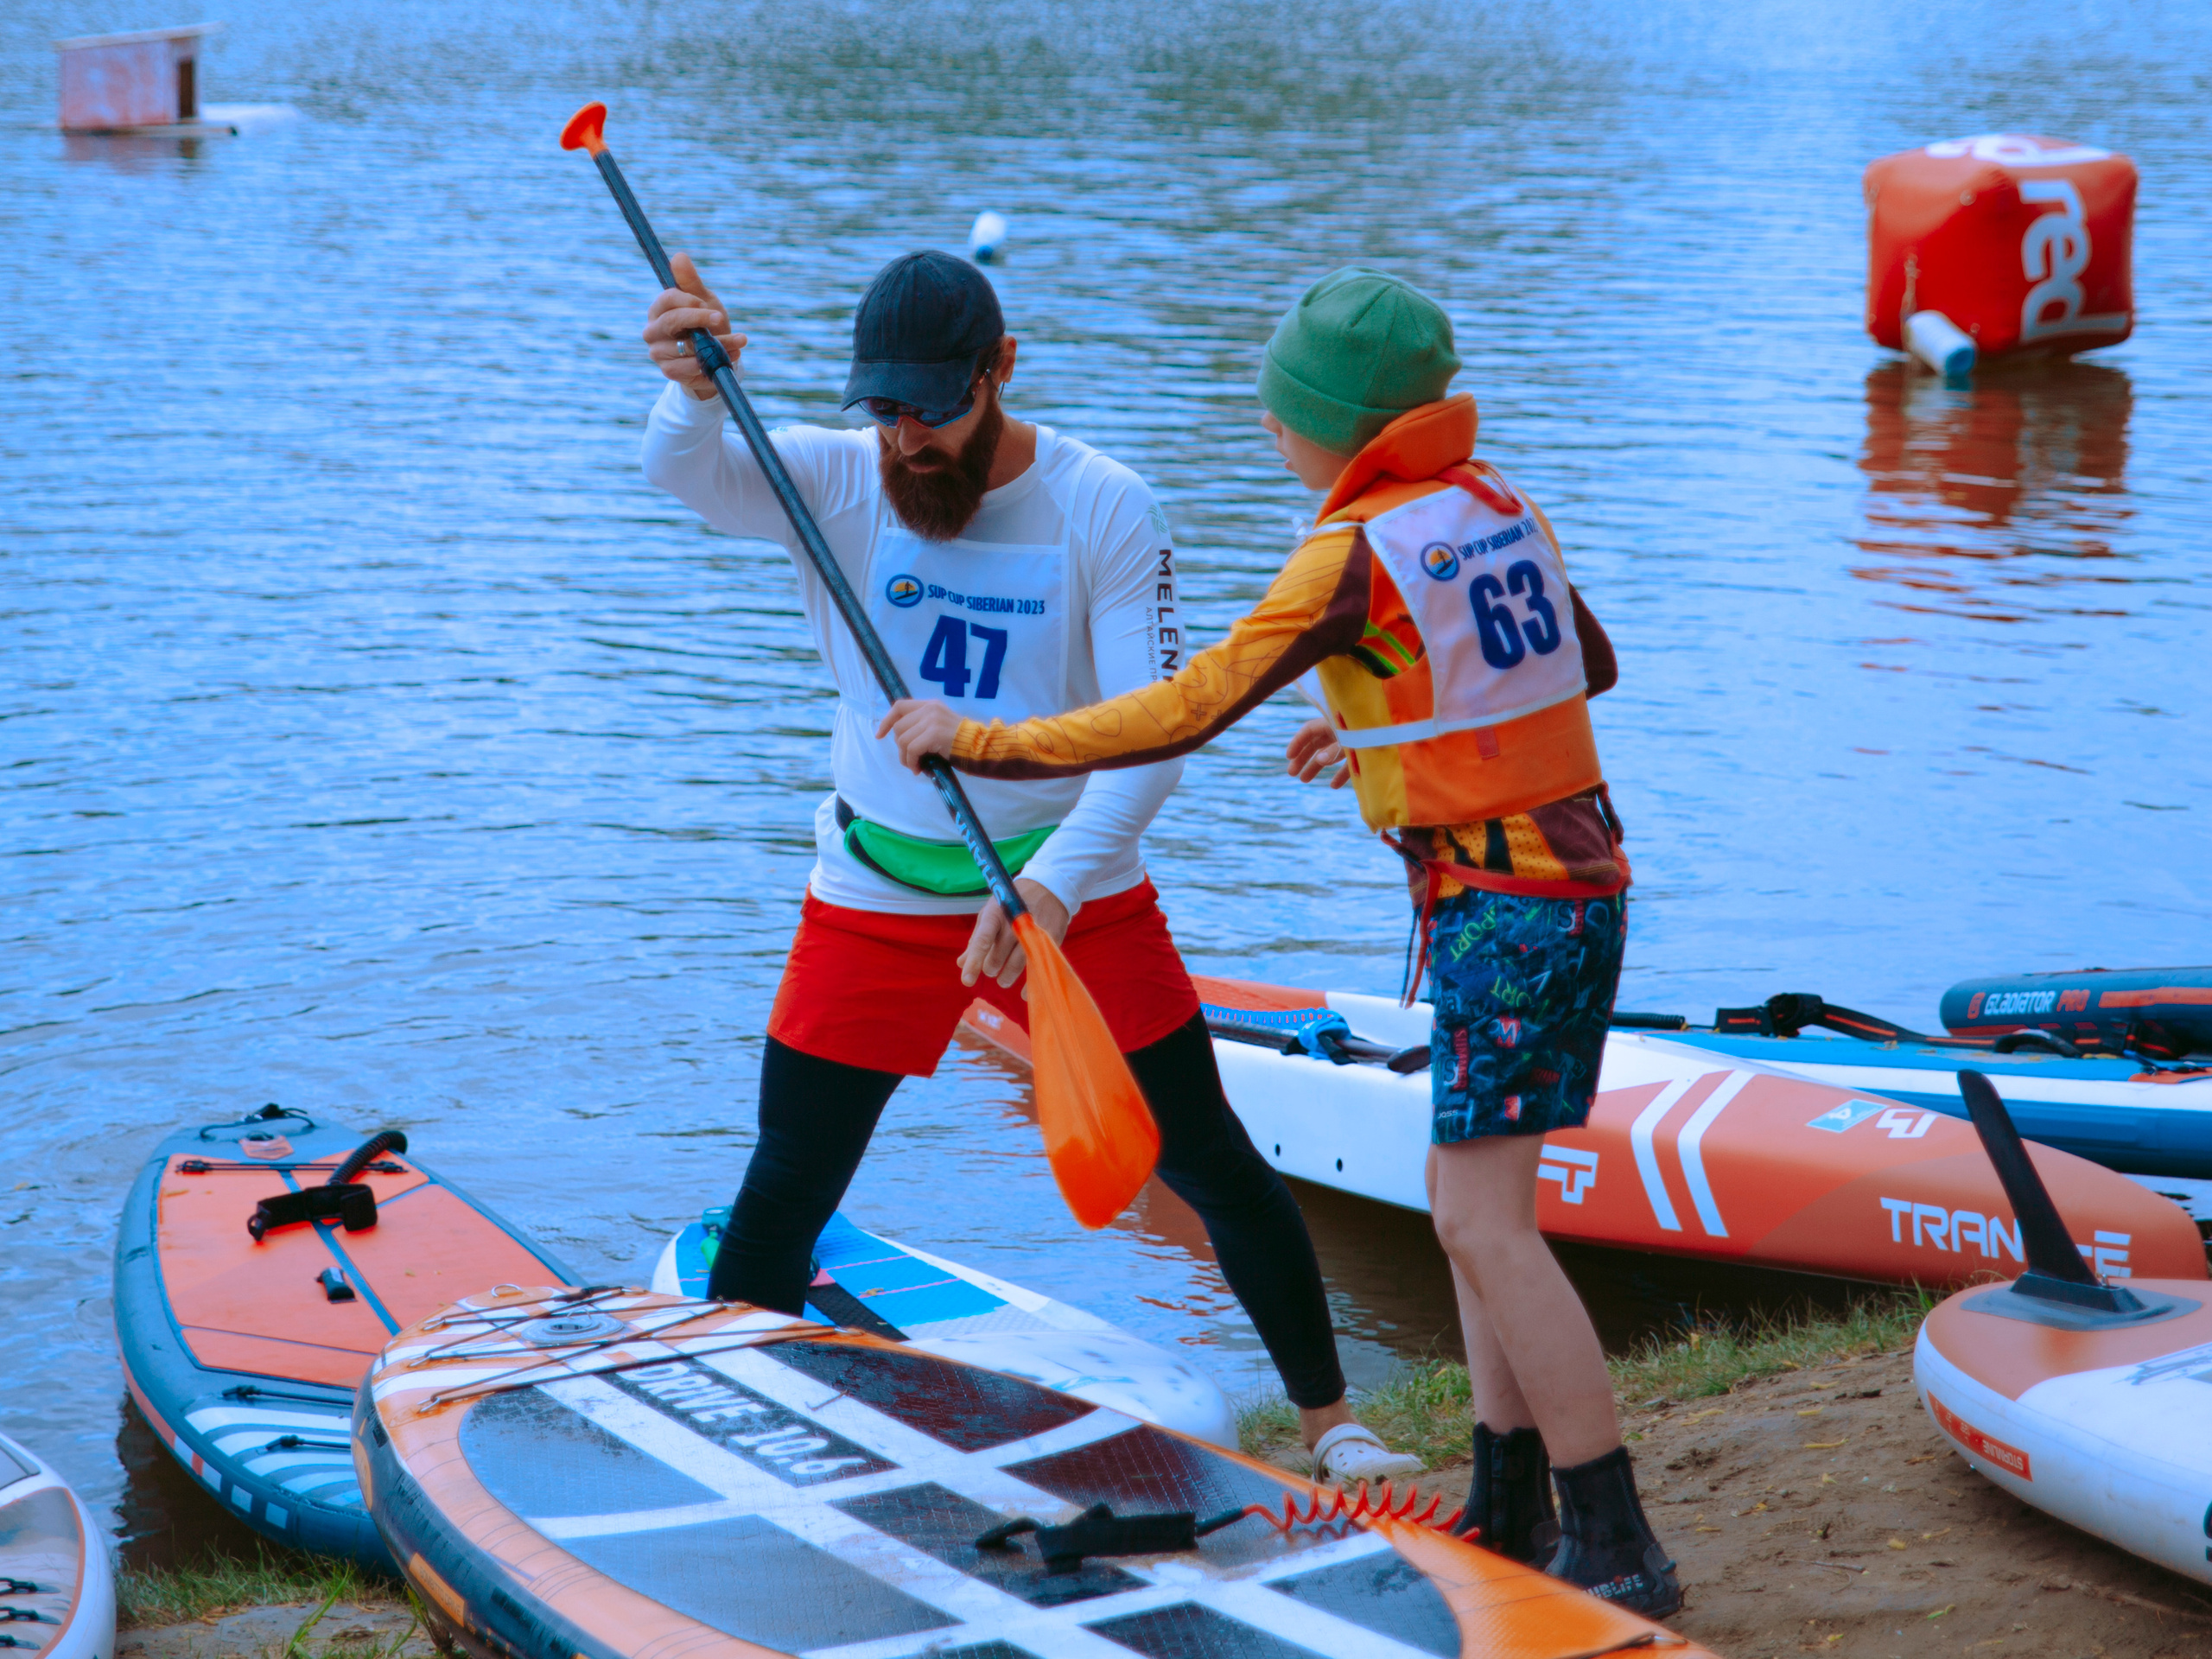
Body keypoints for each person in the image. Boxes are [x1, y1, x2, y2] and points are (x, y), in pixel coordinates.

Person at [880, 268, 1680, 1618]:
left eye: (1280, 412)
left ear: (1336, 427)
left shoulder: (1353, 551)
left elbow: (1185, 707)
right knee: (1469, 1217)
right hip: (1575, 893)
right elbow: (1580, 668)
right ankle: (1508, 1498)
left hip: (1506, 914)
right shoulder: (1495, 505)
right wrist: (1384, 725)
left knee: (1483, 1226)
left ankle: (1615, 1538)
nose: (1267, 431)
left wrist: (987, 739)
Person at [637, 247, 1421, 1485]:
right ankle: (743, 1449)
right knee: (787, 1178)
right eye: (883, 409)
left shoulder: (1105, 506)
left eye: (933, 409)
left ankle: (1335, 1425)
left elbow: (1153, 738)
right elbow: (686, 475)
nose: (905, 440)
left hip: (1070, 888)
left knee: (1205, 1151)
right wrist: (690, 386)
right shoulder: (837, 479)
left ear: (1001, 370)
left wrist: (1049, 886)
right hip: (876, 891)